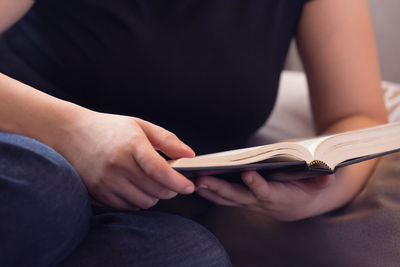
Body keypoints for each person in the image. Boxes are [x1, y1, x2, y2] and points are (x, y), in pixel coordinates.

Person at [0, 0, 391, 266]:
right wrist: (72, 132)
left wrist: (320, 197)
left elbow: (356, 114)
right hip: (27, 153)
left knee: (187, 254)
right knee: (49, 191)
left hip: (149, 206)